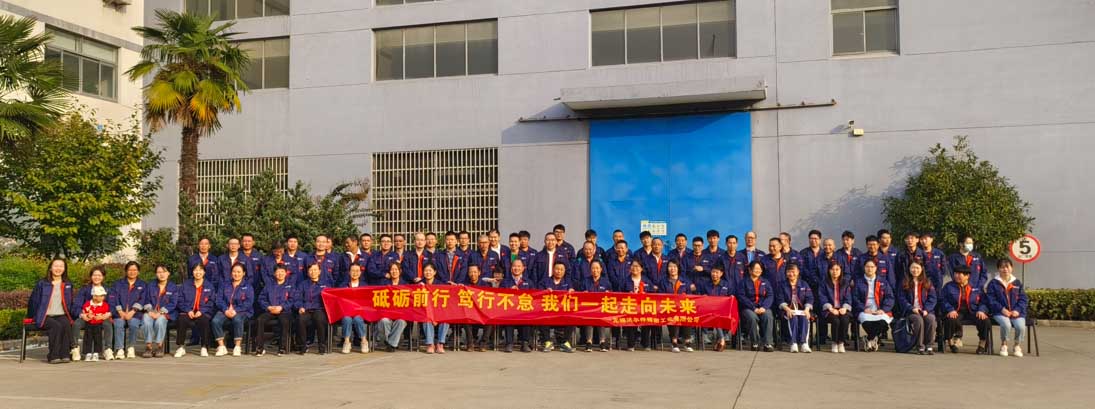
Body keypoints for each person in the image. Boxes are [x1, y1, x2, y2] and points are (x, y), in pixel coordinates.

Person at [28, 259, 75, 364]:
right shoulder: (42, 283)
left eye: (61, 266)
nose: (58, 268)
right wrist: (33, 317)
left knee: (66, 324)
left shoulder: (67, 284)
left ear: (64, 269)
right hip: (44, 316)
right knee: (56, 326)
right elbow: (33, 301)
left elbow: (70, 303)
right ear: (50, 268)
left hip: (60, 314)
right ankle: (53, 356)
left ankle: (65, 354)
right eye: (56, 266)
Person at [940, 265, 991, 354]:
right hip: (956, 311)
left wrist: (981, 310)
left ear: (967, 276)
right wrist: (950, 309)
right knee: (950, 319)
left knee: (985, 320)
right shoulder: (948, 286)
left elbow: (984, 301)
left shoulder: (976, 287)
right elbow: (942, 300)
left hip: (973, 311)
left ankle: (982, 343)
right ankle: (950, 342)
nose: (957, 276)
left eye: (960, 274)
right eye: (956, 273)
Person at [986, 259, 1029, 357]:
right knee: (1006, 324)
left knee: (1020, 327)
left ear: (1011, 268)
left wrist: (1017, 310)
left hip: (1016, 313)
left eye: (1007, 267)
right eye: (1002, 267)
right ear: (998, 269)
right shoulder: (993, 283)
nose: (1005, 269)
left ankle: (1017, 345)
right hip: (999, 312)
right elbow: (991, 299)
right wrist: (1002, 309)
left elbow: (1023, 299)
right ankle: (1004, 344)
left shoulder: (1017, 282)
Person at [71, 266, 114, 361]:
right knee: (77, 324)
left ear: (103, 277)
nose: (97, 277)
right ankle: (75, 348)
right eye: (94, 275)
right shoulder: (84, 290)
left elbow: (113, 305)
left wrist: (108, 314)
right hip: (87, 316)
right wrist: (82, 314)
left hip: (101, 317)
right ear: (91, 276)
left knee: (107, 324)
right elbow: (76, 306)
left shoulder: (108, 290)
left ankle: (108, 349)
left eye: (99, 275)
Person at [212, 264, 254, 357]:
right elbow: (219, 300)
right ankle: (221, 346)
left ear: (243, 273)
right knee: (215, 321)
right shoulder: (225, 284)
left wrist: (236, 310)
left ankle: (237, 346)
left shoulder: (248, 286)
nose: (236, 274)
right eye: (234, 272)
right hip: (225, 310)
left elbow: (249, 302)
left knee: (237, 319)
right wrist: (225, 310)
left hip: (242, 311)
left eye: (239, 272)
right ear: (231, 273)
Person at [254, 264, 295, 356]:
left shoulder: (290, 286)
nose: (280, 274)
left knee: (284, 321)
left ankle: (282, 348)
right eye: (278, 272)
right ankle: (260, 347)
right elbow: (261, 298)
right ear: (274, 273)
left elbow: (292, 300)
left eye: (282, 272)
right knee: (260, 320)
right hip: (270, 310)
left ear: (286, 273)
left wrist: (282, 307)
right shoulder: (269, 285)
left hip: (284, 311)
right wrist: (268, 307)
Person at [897, 261, 937, 355]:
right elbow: (901, 298)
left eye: (917, 268)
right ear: (909, 269)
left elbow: (932, 298)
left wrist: (926, 309)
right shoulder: (904, 282)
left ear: (921, 269)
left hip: (925, 310)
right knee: (918, 320)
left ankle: (929, 345)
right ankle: (920, 346)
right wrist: (911, 308)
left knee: (931, 319)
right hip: (911, 311)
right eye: (913, 268)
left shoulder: (927, 282)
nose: (915, 270)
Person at [175, 264, 215, 358]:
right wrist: (188, 310)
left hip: (202, 312)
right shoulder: (186, 285)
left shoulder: (209, 286)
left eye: (200, 270)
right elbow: (179, 299)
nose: (198, 272)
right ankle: (181, 347)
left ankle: (204, 347)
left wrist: (202, 311)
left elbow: (211, 301)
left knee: (204, 320)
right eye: (195, 270)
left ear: (204, 272)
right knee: (181, 319)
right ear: (192, 272)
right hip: (187, 311)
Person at [854, 259, 894, 352]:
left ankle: (869, 338)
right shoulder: (859, 282)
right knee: (867, 322)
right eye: (867, 267)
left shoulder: (883, 281)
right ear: (864, 268)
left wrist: (883, 309)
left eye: (872, 267)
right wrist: (864, 308)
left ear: (876, 268)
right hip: (865, 309)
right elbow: (855, 298)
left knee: (883, 323)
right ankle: (873, 339)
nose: (870, 269)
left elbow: (890, 297)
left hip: (879, 309)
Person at [109, 261, 145, 360]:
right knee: (118, 324)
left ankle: (131, 347)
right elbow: (113, 298)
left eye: (135, 270)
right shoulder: (118, 284)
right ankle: (119, 349)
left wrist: (133, 311)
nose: (132, 272)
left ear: (138, 271)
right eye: (130, 270)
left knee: (133, 324)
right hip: (119, 313)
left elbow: (143, 299)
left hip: (135, 314)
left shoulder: (142, 285)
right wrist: (120, 311)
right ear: (126, 271)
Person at [141, 265, 178, 358]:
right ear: (156, 274)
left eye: (164, 272)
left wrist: (160, 312)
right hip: (151, 311)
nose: (161, 274)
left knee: (160, 320)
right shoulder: (150, 285)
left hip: (166, 313)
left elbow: (173, 303)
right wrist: (150, 311)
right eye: (159, 272)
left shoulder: (173, 287)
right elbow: (145, 299)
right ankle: (148, 347)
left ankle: (159, 346)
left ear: (168, 273)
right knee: (146, 318)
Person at [539, 261, 576, 353]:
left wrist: (572, 292)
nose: (559, 271)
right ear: (553, 270)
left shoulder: (568, 282)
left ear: (564, 271)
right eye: (557, 269)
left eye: (561, 269)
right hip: (548, 313)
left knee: (572, 319)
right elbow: (538, 295)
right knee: (541, 318)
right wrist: (544, 291)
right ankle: (547, 342)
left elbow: (574, 298)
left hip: (563, 314)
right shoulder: (545, 281)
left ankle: (565, 343)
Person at [737, 261, 774, 352]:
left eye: (759, 269)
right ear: (750, 270)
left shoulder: (765, 282)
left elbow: (770, 295)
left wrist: (764, 307)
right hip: (748, 308)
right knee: (752, 317)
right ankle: (755, 342)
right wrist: (753, 308)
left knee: (768, 316)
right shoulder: (743, 282)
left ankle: (768, 343)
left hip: (763, 307)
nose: (758, 271)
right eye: (755, 268)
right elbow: (741, 297)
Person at [777, 263, 813, 353]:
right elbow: (780, 299)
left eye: (793, 271)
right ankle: (793, 343)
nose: (791, 274)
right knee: (793, 317)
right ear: (786, 273)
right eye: (789, 272)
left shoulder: (804, 284)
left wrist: (807, 309)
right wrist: (787, 309)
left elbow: (810, 298)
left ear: (798, 272)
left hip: (802, 310)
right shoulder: (782, 285)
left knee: (805, 317)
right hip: (787, 310)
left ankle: (804, 343)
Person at [661, 260, 696, 352]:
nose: (672, 269)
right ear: (667, 268)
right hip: (669, 307)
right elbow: (660, 296)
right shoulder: (663, 281)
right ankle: (674, 343)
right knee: (673, 316)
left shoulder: (685, 281)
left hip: (683, 307)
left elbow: (690, 295)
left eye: (674, 267)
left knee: (686, 315)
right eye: (670, 267)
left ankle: (687, 342)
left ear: (678, 268)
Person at [621, 259, 656, 351]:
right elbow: (619, 294)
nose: (634, 268)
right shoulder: (625, 281)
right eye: (633, 266)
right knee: (630, 319)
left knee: (647, 319)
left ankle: (645, 343)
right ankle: (631, 344)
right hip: (630, 307)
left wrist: (646, 295)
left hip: (644, 307)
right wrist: (627, 295)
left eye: (637, 266)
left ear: (641, 269)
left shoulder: (647, 281)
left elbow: (653, 294)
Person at [501, 259, 534, 352]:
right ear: (511, 268)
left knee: (528, 318)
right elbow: (499, 296)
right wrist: (509, 291)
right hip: (510, 310)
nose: (516, 268)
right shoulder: (505, 282)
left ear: (523, 268)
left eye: (519, 266)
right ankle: (509, 343)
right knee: (508, 318)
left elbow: (534, 297)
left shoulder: (529, 282)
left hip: (524, 310)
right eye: (514, 266)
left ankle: (525, 343)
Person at [296, 264, 330, 355]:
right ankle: (303, 346)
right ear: (308, 272)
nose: (313, 272)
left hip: (319, 309)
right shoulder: (303, 284)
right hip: (306, 309)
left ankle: (321, 346)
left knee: (319, 319)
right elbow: (297, 298)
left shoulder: (326, 284)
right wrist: (300, 306)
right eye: (310, 270)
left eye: (315, 270)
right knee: (300, 320)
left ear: (319, 271)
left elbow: (329, 299)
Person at [819, 262, 852, 353]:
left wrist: (844, 308)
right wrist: (830, 308)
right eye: (832, 269)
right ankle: (834, 342)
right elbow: (822, 297)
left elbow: (848, 298)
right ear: (829, 271)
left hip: (842, 308)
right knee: (835, 320)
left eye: (837, 269)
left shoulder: (845, 283)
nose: (835, 271)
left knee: (845, 319)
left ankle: (841, 342)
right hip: (829, 309)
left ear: (841, 271)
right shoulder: (824, 283)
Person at [580, 260, 612, 352]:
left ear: (601, 269)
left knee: (600, 317)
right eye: (593, 268)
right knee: (589, 317)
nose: (595, 270)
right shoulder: (585, 281)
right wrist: (583, 293)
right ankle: (589, 342)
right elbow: (580, 295)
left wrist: (608, 293)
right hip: (588, 309)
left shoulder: (606, 282)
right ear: (590, 269)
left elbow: (612, 296)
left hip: (602, 309)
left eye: (597, 268)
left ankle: (602, 342)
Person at [337, 264, 370, 354]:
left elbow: (367, 301)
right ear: (349, 272)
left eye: (357, 271)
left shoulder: (365, 286)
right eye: (353, 271)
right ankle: (346, 342)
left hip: (360, 313)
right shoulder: (343, 285)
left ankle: (364, 341)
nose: (355, 273)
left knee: (357, 319)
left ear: (360, 273)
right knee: (347, 319)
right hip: (347, 312)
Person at [376, 262, 408, 352]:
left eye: (396, 269)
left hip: (400, 313)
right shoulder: (383, 283)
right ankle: (393, 343)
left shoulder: (405, 284)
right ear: (389, 271)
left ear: (400, 271)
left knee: (401, 322)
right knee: (383, 321)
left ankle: (390, 343)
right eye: (392, 269)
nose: (394, 271)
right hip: (386, 312)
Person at [419, 263, 449, 354]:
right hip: (425, 312)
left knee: (445, 319)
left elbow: (443, 303)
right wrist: (419, 288)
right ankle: (430, 344)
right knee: (426, 319)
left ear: (434, 272)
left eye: (430, 270)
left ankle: (440, 343)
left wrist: (436, 317)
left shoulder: (441, 284)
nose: (428, 273)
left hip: (439, 312)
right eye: (426, 271)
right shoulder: (420, 284)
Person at [464, 264, 493, 351]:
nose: (473, 274)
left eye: (475, 272)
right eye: (471, 272)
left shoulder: (486, 285)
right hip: (470, 313)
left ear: (479, 273)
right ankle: (470, 343)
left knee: (490, 319)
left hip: (482, 313)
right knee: (465, 319)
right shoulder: (464, 285)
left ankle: (483, 344)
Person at [79, 286, 110, 361]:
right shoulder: (88, 304)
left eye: (103, 296)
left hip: (98, 323)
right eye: (100, 296)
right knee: (87, 338)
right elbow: (84, 311)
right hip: (89, 323)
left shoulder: (104, 305)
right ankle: (88, 353)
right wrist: (87, 315)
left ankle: (96, 353)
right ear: (94, 296)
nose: (103, 297)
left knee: (98, 338)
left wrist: (101, 316)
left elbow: (106, 313)